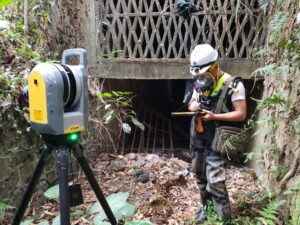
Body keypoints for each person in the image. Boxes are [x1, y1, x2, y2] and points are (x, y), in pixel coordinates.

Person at [187, 44, 247, 224]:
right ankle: (206, 208)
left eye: (203, 73)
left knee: (216, 180)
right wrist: (193, 106)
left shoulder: (234, 84)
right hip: (198, 136)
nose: (199, 78)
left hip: (218, 138)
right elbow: (190, 102)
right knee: (200, 175)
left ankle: (224, 218)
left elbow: (241, 113)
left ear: (214, 66)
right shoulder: (199, 81)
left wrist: (215, 116)